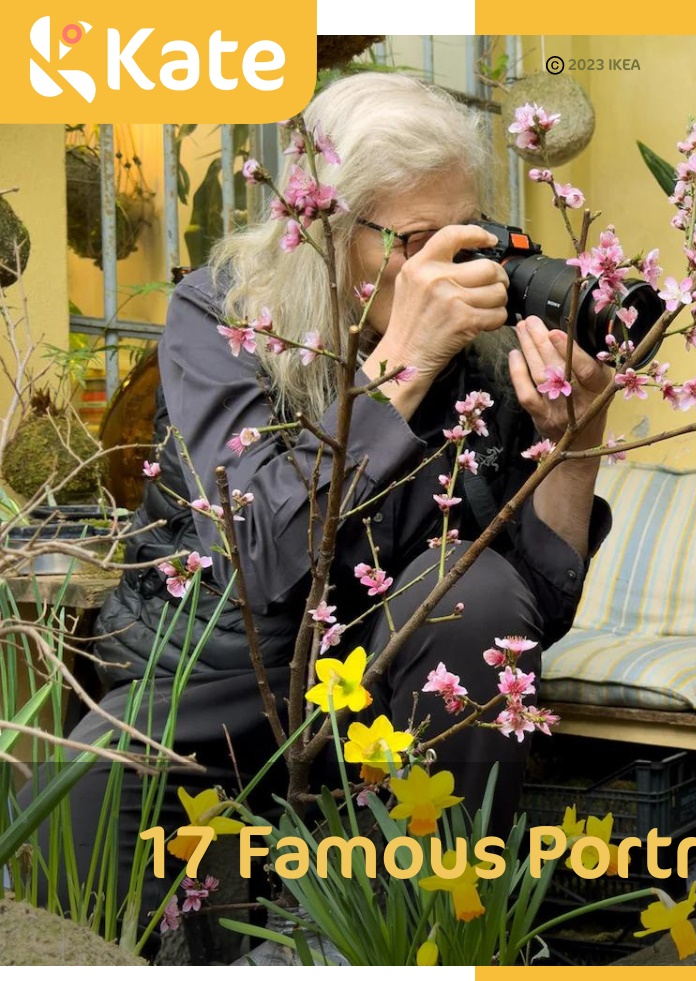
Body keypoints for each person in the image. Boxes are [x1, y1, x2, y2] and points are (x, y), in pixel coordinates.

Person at [27, 72, 612, 921]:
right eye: (415, 240)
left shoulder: (477, 354)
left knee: (473, 584)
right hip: (223, 666)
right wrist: (402, 365)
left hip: (379, 676)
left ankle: (402, 937)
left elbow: (532, 608)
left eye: (465, 232)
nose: (450, 266)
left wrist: (576, 441)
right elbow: (268, 548)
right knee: (77, 821)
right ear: (326, 233)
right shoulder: (224, 316)